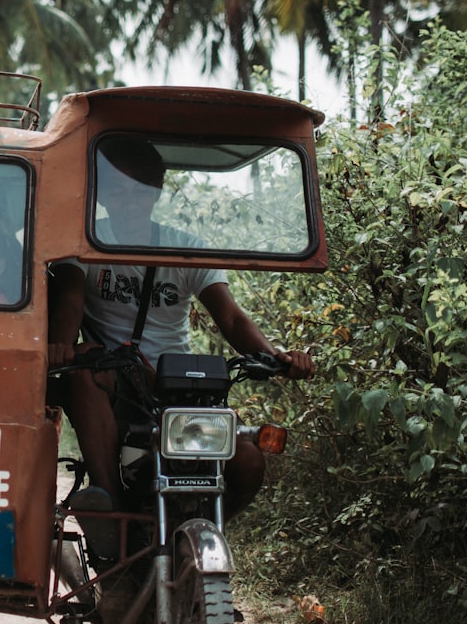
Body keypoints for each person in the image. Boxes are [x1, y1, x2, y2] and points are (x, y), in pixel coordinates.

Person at [48, 138, 315, 538]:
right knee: (81, 370)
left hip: (178, 385)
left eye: (138, 188)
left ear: (155, 191)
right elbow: (69, 299)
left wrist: (275, 356)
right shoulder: (82, 245)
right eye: (117, 188)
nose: (128, 198)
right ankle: (111, 508)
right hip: (113, 381)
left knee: (248, 461)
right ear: (101, 194)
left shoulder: (186, 248)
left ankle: (193, 536)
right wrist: (61, 346)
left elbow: (232, 318)